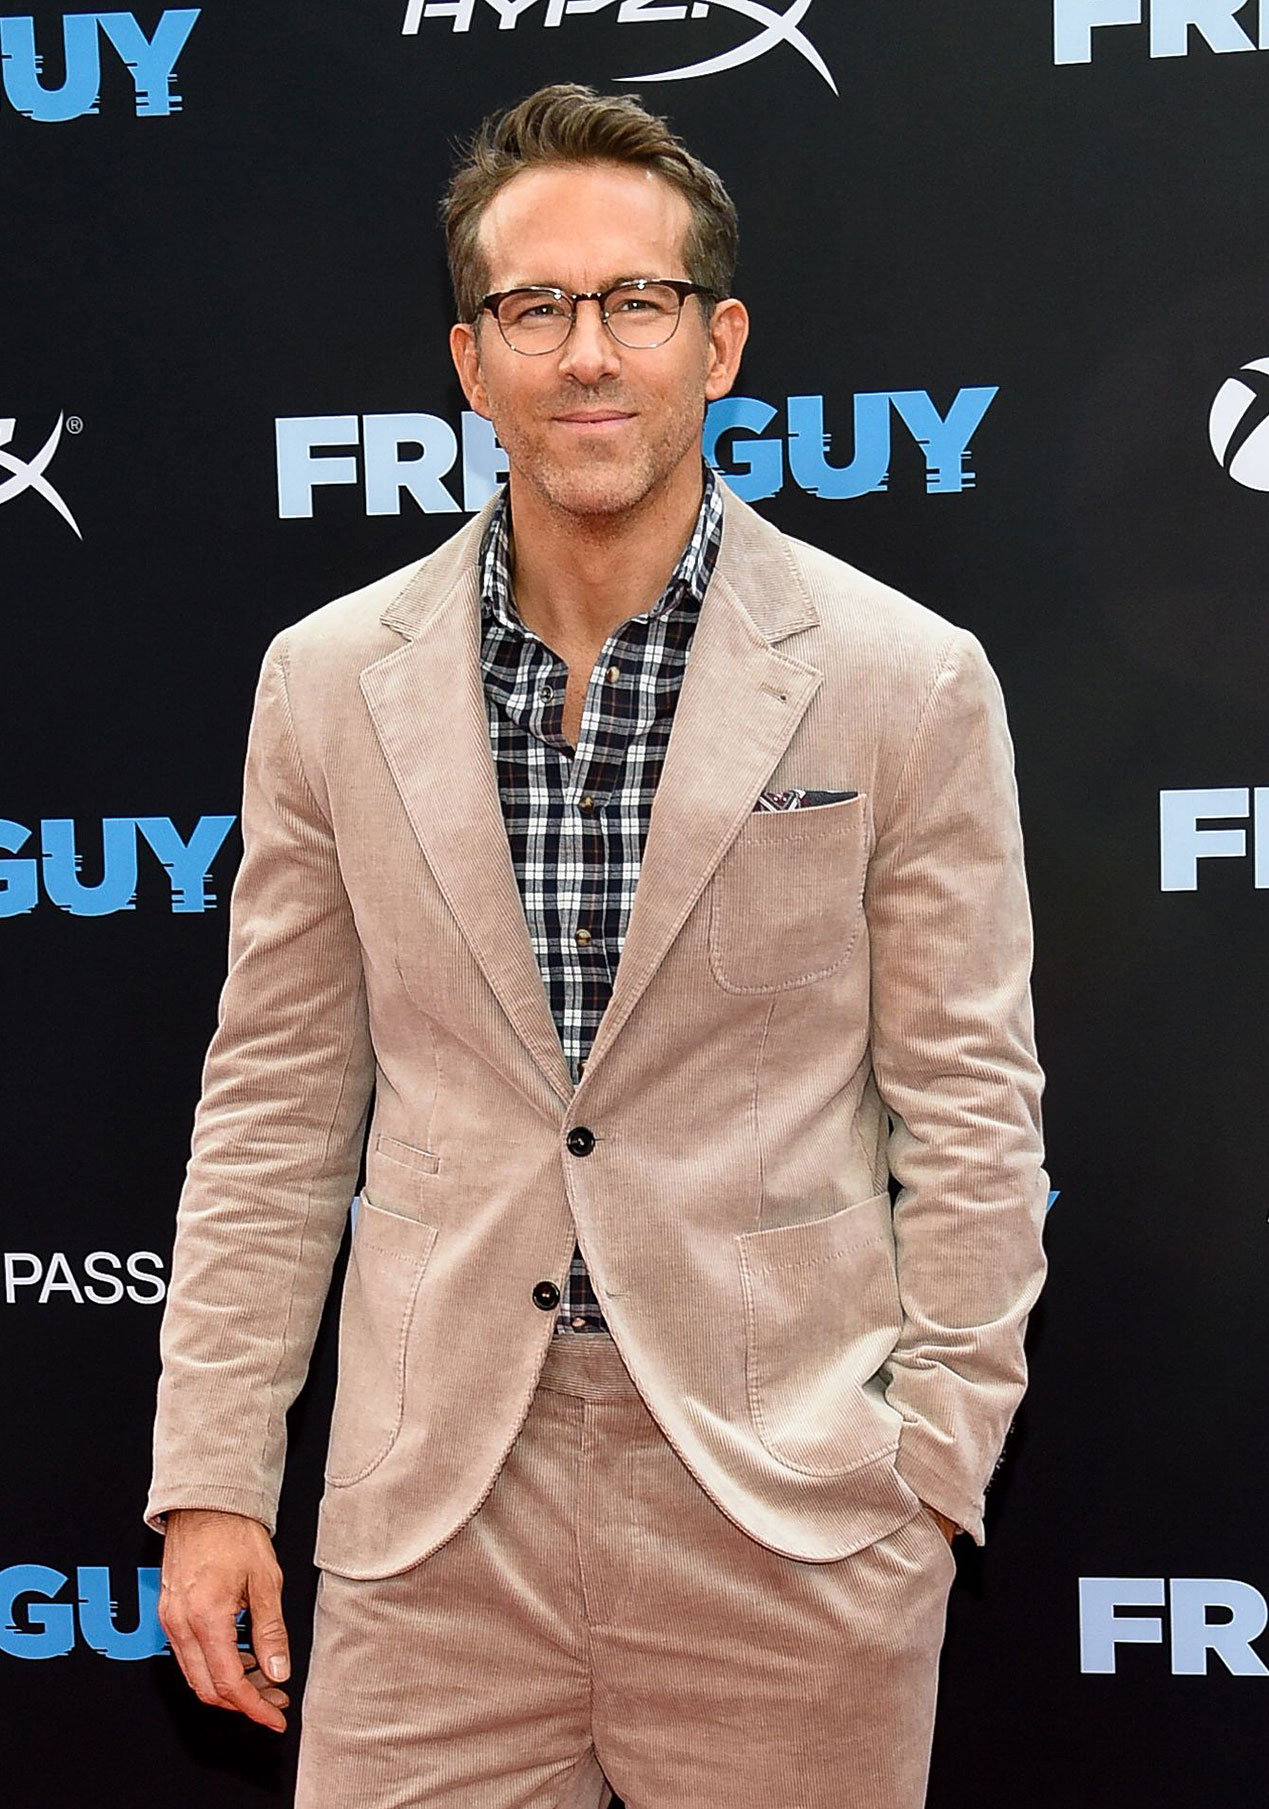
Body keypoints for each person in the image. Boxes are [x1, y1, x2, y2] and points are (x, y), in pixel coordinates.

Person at [148, 83, 1048, 1809]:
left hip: (791, 1516)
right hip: (433, 1519)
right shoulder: (327, 683)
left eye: (636, 301)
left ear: (718, 342)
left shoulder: (902, 678)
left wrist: (928, 1471)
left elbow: (970, 1109)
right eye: (534, 308)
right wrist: (212, 1476)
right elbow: (272, 1105)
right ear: (470, 363)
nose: (586, 355)